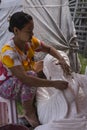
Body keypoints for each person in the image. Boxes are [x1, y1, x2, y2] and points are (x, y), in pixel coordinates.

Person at [0, 11, 70, 128]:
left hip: (23, 74)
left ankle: (35, 101)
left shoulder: (30, 42)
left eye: (32, 30)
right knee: (32, 75)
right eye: (29, 31)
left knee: (44, 65)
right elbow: (25, 79)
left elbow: (48, 49)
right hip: (6, 85)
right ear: (16, 30)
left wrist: (61, 59)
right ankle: (29, 112)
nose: (32, 34)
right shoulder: (8, 52)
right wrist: (53, 84)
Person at [35, 51, 87, 130]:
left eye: (64, 62)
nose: (60, 66)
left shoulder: (77, 80)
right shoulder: (43, 87)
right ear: (47, 70)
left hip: (81, 119)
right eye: (55, 63)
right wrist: (64, 94)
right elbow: (43, 116)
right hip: (58, 123)